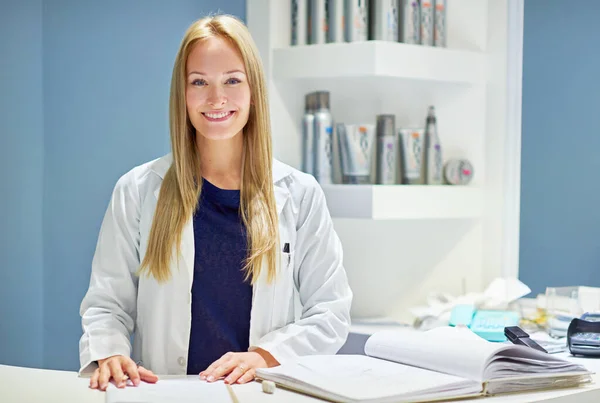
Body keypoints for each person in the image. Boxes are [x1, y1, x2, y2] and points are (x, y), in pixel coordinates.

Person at [79, 14, 352, 391]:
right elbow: (107, 304)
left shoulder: (300, 195)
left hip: (255, 392)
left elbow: (331, 313)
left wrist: (264, 355)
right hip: (165, 392)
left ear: (254, 89)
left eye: (232, 80)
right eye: (199, 82)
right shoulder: (138, 190)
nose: (216, 98)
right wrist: (109, 354)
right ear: (183, 94)